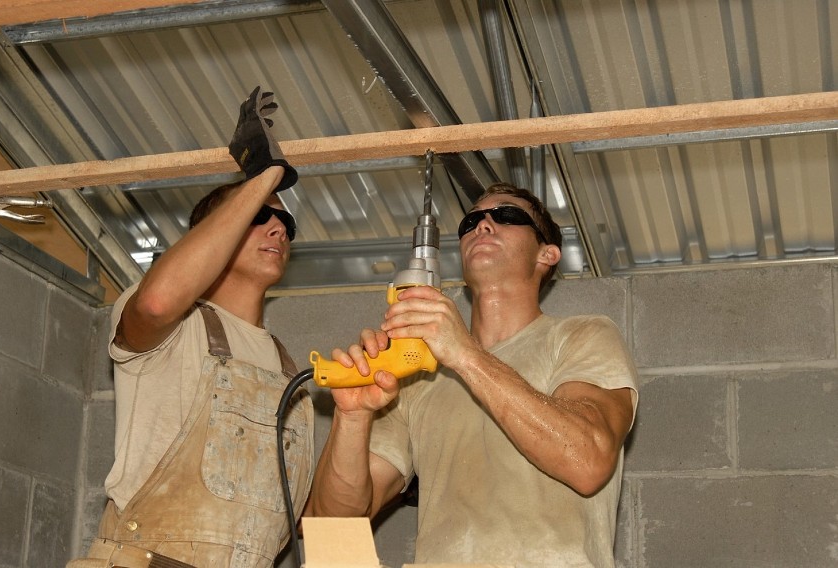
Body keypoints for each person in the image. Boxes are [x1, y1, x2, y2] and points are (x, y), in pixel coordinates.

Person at [305, 182, 639, 568]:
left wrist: (464, 353)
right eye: (471, 221)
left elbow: (588, 462)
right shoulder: (416, 378)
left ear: (548, 253)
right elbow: (332, 525)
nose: (483, 224)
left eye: (507, 215)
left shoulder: (582, 336)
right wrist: (353, 415)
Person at [67, 86, 314, 568]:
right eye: (260, 215)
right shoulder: (177, 328)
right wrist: (262, 178)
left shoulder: (293, 377)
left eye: (287, 225)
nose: (279, 230)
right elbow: (157, 303)